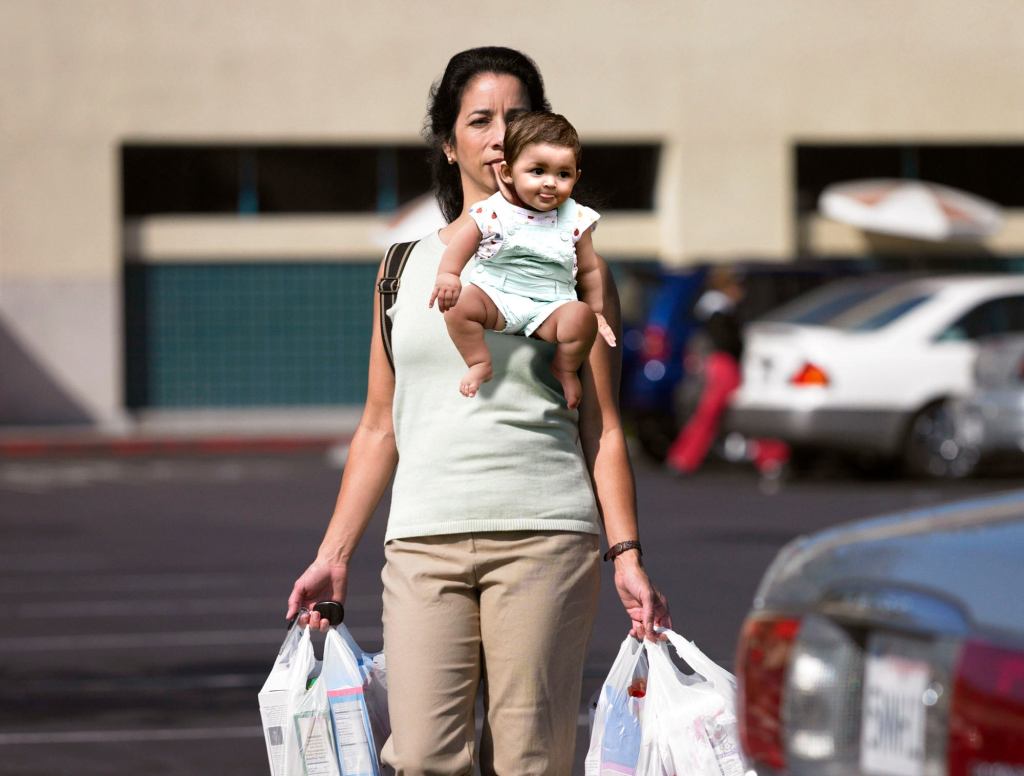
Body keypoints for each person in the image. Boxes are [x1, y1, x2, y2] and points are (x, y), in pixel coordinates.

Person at [285, 46, 670, 775]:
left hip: (544, 537)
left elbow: (604, 427)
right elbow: (378, 425)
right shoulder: (402, 265)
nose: (499, 136)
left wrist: (627, 556)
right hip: (422, 542)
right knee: (425, 757)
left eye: (516, 118)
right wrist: (332, 557)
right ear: (449, 140)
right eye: (480, 120)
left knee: (530, 759)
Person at [429, 111, 616, 408]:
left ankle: (564, 368)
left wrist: (595, 311)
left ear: (576, 177)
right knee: (458, 308)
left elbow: (590, 270)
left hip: (550, 304)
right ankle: (478, 362)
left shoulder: (575, 218)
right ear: (508, 172)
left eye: (563, 174)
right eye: (537, 171)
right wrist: (448, 275)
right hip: (496, 295)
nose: (550, 183)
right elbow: (461, 245)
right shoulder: (495, 211)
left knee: (580, 319)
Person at [666, 266, 745, 475]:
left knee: (709, 414)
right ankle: (684, 458)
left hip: (713, 365)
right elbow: (728, 342)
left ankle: (683, 457)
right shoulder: (720, 310)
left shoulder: (706, 308)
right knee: (712, 413)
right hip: (723, 366)